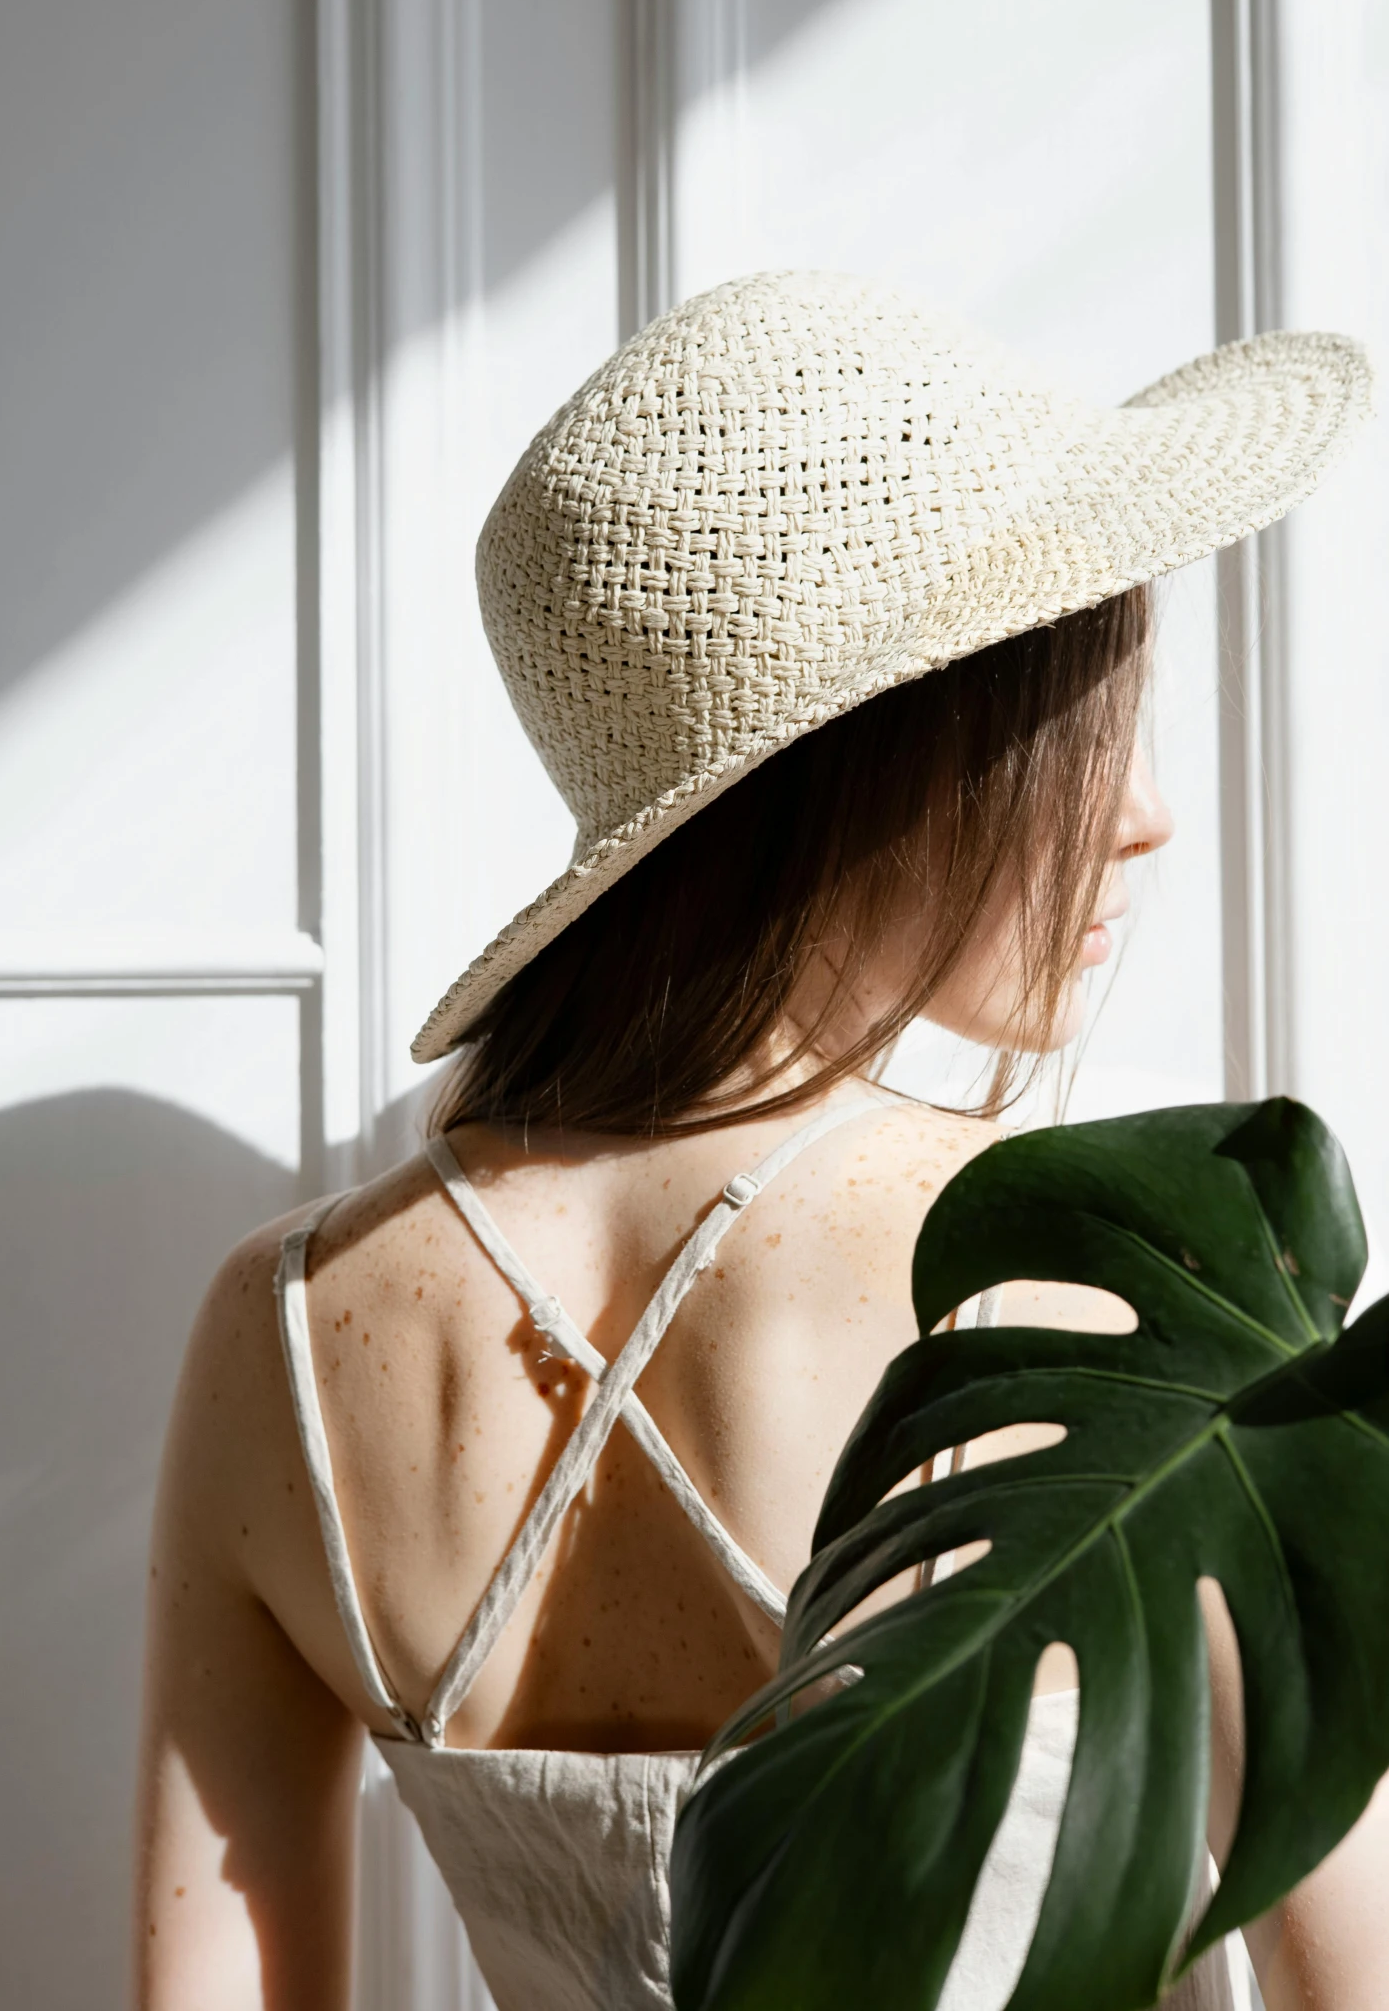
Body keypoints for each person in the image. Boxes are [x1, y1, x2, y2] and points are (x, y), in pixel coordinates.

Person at [133, 273, 1385, 2011]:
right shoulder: (1113, 1277)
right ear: (851, 763)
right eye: (1071, 732)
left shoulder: (281, 1335)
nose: (1146, 814)